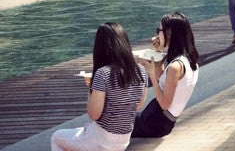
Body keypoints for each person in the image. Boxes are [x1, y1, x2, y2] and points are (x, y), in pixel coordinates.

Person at [51, 22, 148, 151]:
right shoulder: (141, 70)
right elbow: (139, 104)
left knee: (56, 137)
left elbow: (94, 114)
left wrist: (91, 87)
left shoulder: (103, 73)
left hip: (102, 140)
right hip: (124, 139)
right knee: (79, 135)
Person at [132, 12, 200, 139]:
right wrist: (159, 51)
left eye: (159, 30)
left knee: (111, 124)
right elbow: (163, 79)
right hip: (160, 120)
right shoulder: (189, 61)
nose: (157, 34)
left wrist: (151, 74)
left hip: (155, 122)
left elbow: (164, 104)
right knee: (122, 119)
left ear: (169, 33)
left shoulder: (176, 67)